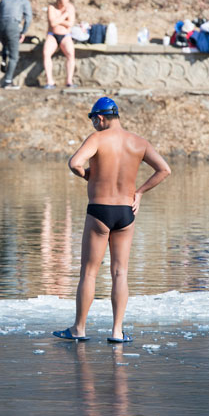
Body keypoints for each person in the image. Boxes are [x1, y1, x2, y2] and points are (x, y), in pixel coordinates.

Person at [54, 97, 171, 343]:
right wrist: (139, 192)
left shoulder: (97, 139)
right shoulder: (138, 142)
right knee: (120, 273)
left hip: (100, 210)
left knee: (88, 272)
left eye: (94, 121)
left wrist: (89, 176)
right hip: (126, 212)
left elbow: (74, 163)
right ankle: (117, 331)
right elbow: (164, 170)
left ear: (100, 118)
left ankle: (79, 329)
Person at [0, 0, 33, 89]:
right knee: (14, 56)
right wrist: (23, 32)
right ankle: (8, 81)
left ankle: (4, 59)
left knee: (6, 45)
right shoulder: (24, 1)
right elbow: (28, 18)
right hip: (13, 26)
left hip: (1, 26)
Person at [42, 0, 77, 89]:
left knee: (70, 53)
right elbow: (52, 24)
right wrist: (65, 16)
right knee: (46, 53)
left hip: (65, 35)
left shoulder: (70, 7)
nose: (66, 1)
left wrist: (58, 20)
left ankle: (69, 81)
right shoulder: (51, 7)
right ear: (58, 0)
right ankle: (50, 81)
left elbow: (70, 24)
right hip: (52, 34)